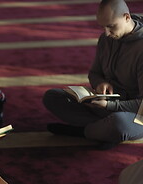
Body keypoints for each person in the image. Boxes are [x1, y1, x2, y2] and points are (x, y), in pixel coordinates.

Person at [42, 0, 143, 149]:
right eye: (103, 27)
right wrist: (100, 83)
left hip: (135, 115)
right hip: (105, 105)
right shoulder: (106, 39)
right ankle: (102, 131)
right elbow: (94, 73)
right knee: (52, 97)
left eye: (111, 26)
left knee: (119, 123)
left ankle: (82, 131)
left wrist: (110, 105)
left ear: (127, 17)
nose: (107, 33)